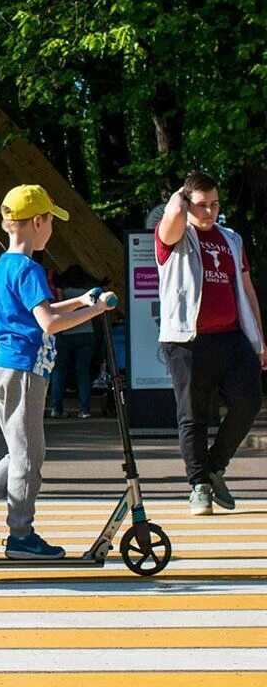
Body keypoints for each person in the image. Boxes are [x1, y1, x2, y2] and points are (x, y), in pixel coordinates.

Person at [0, 185, 116, 558]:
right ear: (38, 222)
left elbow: (41, 309)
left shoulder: (5, 265)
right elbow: (49, 322)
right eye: (51, 221)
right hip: (25, 369)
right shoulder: (31, 268)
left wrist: (83, 299)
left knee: (26, 451)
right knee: (27, 456)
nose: (52, 228)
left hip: (5, 367)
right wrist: (96, 310)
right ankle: (20, 534)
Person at [154, 171, 265, 515]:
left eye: (215, 205)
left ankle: (215, 467)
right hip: (187, 340)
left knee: (249, 401)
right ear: (186, 204)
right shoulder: (174, 235)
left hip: (231, 337)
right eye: (202, 205)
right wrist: (181, 198)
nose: (210, 212)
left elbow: (246, 289)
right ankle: (199, 485)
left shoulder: (231, 238)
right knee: (193, 415)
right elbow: (172, 216)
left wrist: (259, 339)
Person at [48, 265, 102, 419]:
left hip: (66, 334)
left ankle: (56, 408)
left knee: (59, 372)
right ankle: (84, 409)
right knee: (82, 372)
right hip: (86, 335)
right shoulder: (88, 291)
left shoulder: (63, 290)